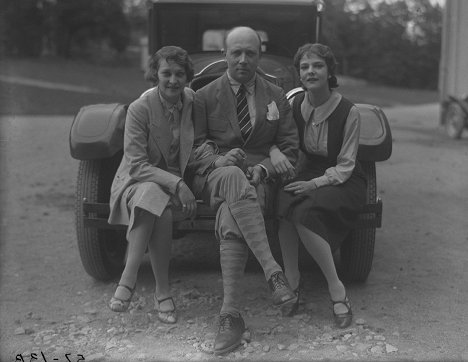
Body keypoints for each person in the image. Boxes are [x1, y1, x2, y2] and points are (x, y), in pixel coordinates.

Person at [187, 26, 299, 354]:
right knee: (234, 177)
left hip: (256, 181)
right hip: (214, 176)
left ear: (259, 56)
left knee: (231, 214)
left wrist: (264, 167)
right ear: (225, 54)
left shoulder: (275, 95)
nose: (242, 59)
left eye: (250, 53)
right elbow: (193, 147)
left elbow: (289, 147)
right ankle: (273, 272)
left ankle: (230, 316)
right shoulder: (205, 96)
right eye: (236, 52)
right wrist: (221, 159)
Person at [269, 43, 367, 328]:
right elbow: (280, 139)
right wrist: (276, 153)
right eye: (305, 67)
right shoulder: (295, 106)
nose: (311, 71)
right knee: (283, 201)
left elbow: (347, 165)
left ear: (329, 72)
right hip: (307, 171)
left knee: (303, 214)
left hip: (341, 177)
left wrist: (313, 184)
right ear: (299, 75)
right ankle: (292, 280)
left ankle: (336, 289)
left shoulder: (349, 111)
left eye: (317, 66)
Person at [107, 46, 198, 324]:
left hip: (170, 184)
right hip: (137, 181)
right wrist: (177, 183)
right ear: (154, 74)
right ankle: (133, 276)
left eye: (179, 74)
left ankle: (157, 290)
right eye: (166, 73)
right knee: (151, 194)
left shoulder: (192, 102)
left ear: (187, 77)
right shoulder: (139, 108)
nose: (173, 80)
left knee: (163, 209)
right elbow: (137, 165)